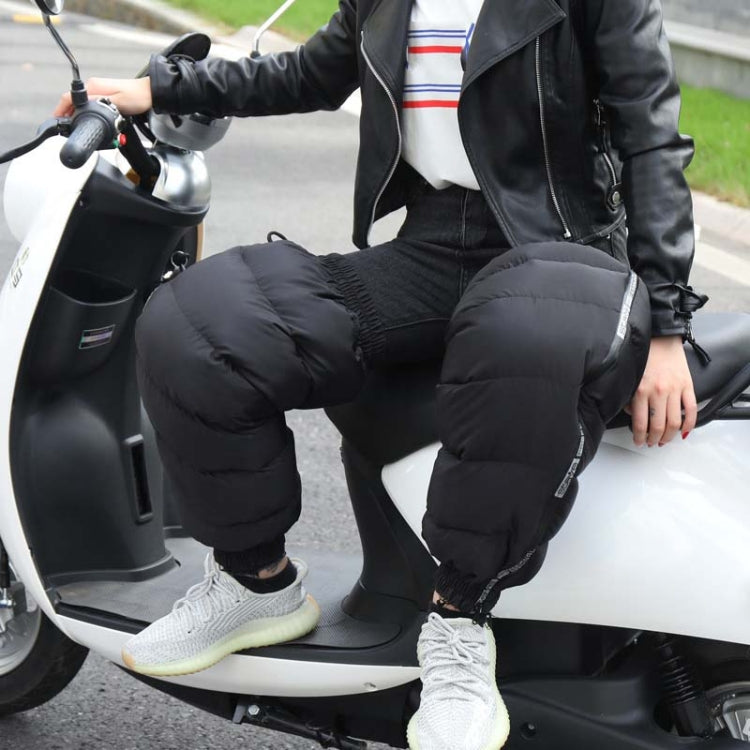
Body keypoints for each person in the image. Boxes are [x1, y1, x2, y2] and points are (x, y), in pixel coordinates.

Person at [55, 0, 706, 747]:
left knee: (523, 337)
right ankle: (254, 581)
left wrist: (667, 324)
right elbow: (307, 73)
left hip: (564, 246)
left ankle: (459, 622)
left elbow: (652, 138)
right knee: (197, 321)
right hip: (432, 242)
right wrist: (160, 88)